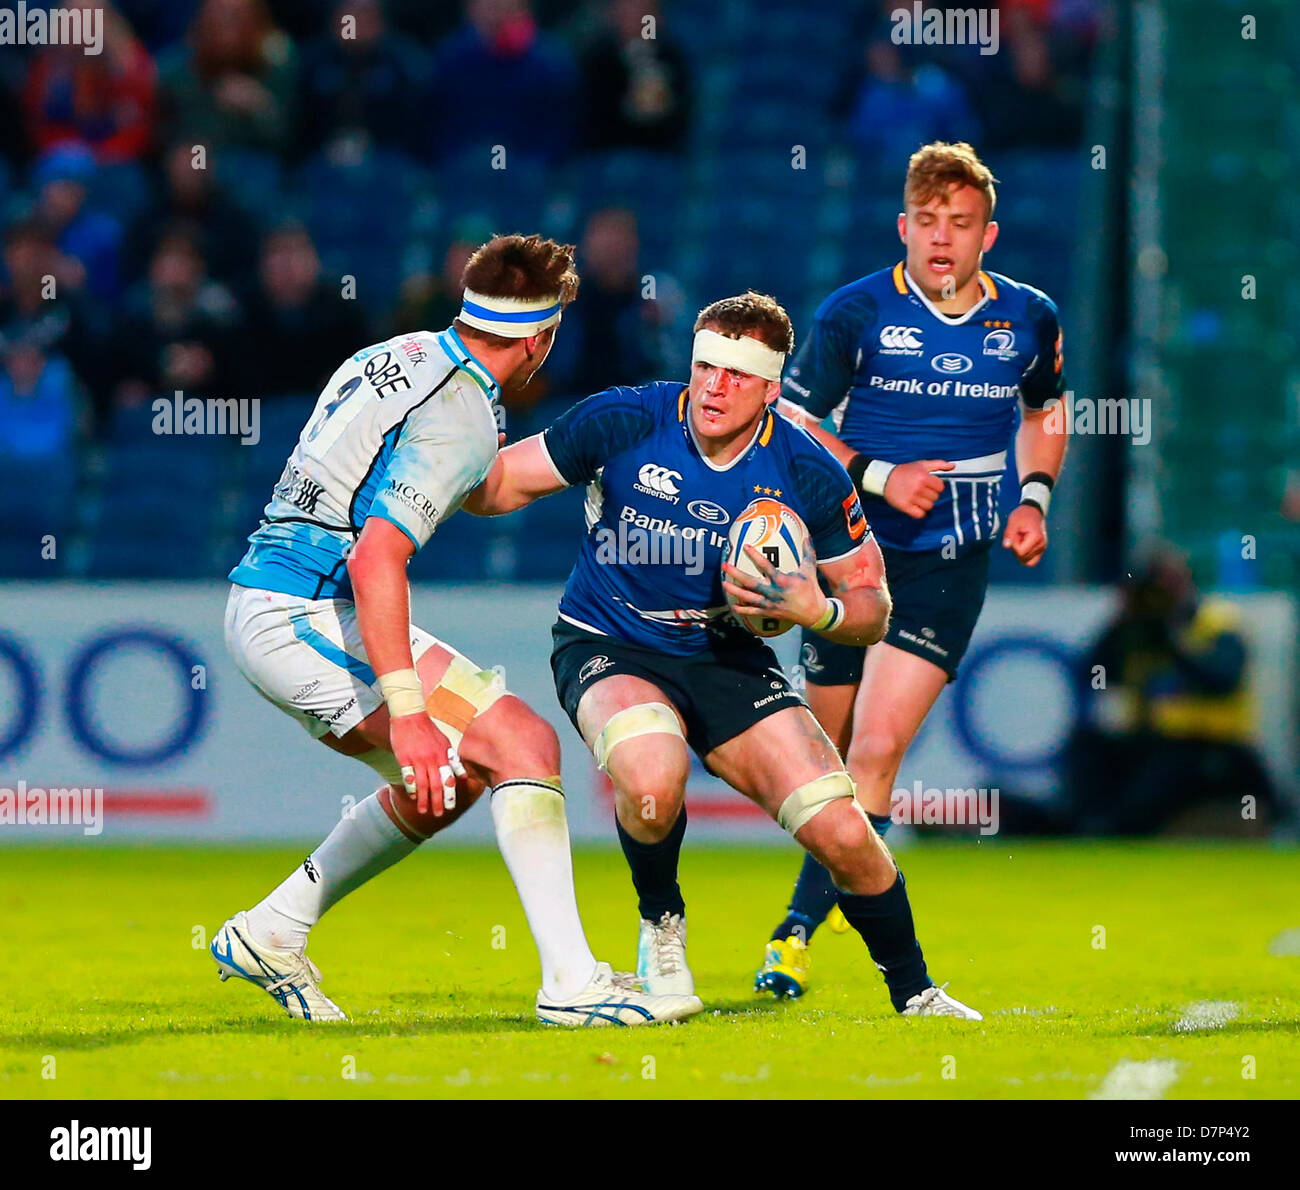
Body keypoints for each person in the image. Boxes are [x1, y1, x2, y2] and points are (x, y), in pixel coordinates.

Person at [213, 233, 701, 1028]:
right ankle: (571, 984)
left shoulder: (399, 352)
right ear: (541, 340)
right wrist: (407, 713)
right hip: (299, 609)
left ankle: (273, 929)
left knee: (457, 778)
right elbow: (379, 558)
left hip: (293, 595)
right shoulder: (464, 413)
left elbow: (438, 485)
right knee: (521, 747)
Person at [465, 290, 981, 1019]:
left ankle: (917, 994)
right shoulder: (626, 418)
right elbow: (499, 483)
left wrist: (817, 611)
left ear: (772, 389)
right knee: (651, 776)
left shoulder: (806, 470)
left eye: (737, 375)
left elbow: (872, 604)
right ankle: (662, 922)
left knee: (843, 829)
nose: (714, 386)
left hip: (728, 663)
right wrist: (430, 478)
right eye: (705, 366)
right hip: (609, 640)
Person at [754, 141, 1068, 998]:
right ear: (903, 226)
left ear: (987, 236)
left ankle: (794, 934)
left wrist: (1034, 496)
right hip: (847, 555)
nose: (941, 239)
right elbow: (791, 420)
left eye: (959, 224)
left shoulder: (1029, 318)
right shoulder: (856, 314)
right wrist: (881, 475)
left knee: (878, 752)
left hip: (948, 565)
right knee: (823, 759)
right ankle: (810, 907)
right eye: (927, 222)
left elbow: (1047, 409)